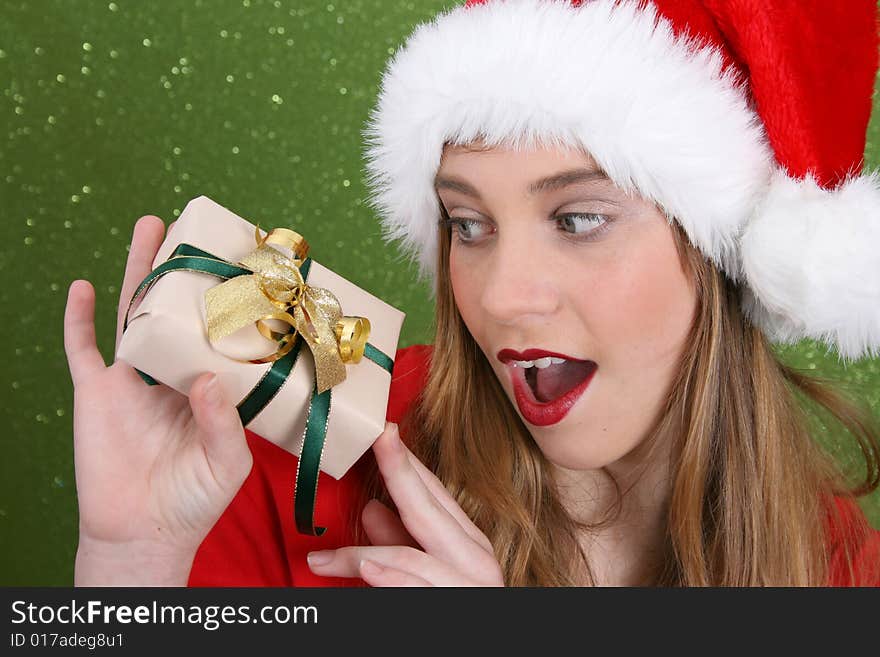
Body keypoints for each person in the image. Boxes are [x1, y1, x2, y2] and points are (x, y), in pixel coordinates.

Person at [64, 0, 880, 587]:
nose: (503, 297)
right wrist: (132, 560)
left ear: (719, 253)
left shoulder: (834, 565)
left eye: (580, 218)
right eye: (469, 223)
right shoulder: (296, 460)